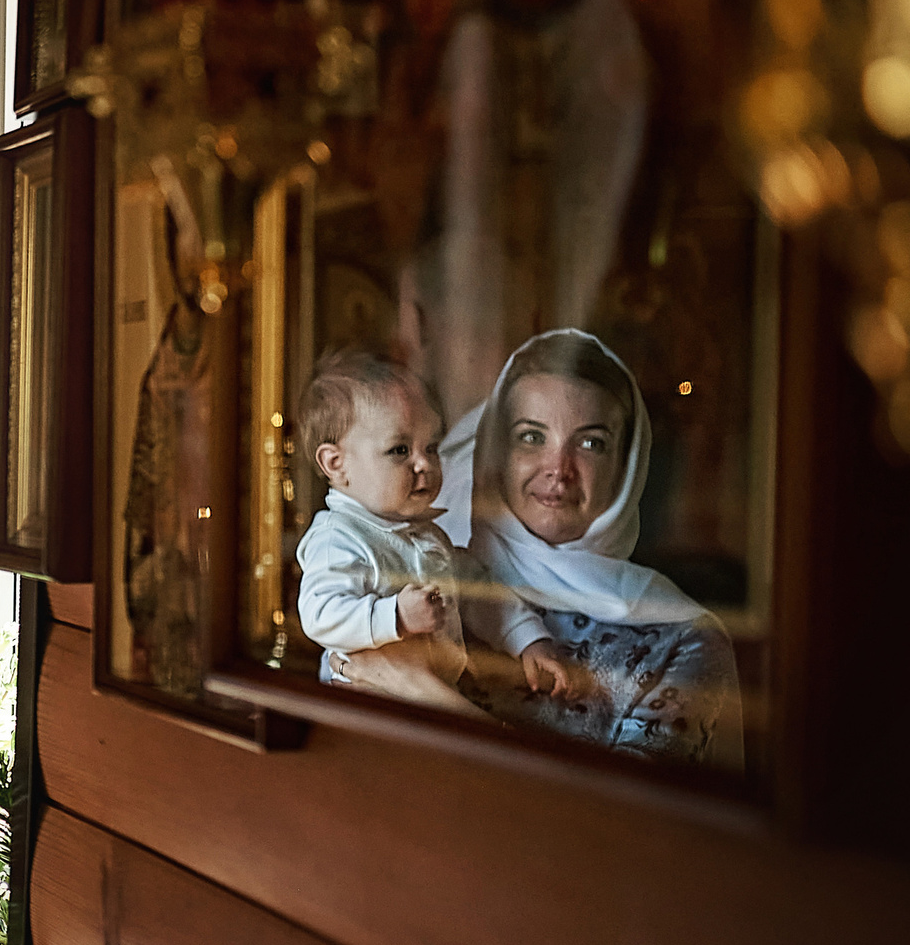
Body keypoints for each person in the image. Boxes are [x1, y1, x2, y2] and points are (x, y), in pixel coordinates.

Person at [445, 328, 743, 768]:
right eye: (531, 436)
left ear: (626, 468)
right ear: (496, 453)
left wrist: (414, 689)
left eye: (590, 443)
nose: (558, 469)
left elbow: (615, 815)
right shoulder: (437, 574)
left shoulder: (685, 640)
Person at [294, 348, 561, 714]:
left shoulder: (424, 535)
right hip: (364, 705)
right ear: (336, 464)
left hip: (430, 701)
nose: (424, 464)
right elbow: (320, 614)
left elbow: (479, 594)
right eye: (399, 449)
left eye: (432, 447)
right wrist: (395, 618)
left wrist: (528, 640)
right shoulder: (337, 539)